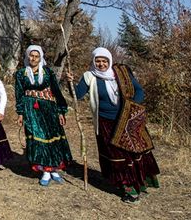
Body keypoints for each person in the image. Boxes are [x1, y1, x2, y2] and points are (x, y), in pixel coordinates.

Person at [67, 47, 160, 203]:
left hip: (127, 120)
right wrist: (70, 83)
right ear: (94, 61)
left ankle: (140, 183)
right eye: (98, 61)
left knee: (134, 151)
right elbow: (78, 95)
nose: (101, 64)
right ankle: (129, 188)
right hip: (105, 123)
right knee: (117, 156)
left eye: (104, 61)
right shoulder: (89, 76)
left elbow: (139, 91)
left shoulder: (122, 73)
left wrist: (131, 107)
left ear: (109, 61)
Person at [14, 44, 73, 186]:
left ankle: (53, 168)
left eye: (36, 56)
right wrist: (20, 113)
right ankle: (45, 170)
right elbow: (19, 95)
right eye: (31, 56)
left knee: (51, 137)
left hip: (49, 109)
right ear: (28, 57)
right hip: (31, 110)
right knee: (38, 136)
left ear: (40, 58)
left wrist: (61, 110)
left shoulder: (47, 72)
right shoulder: (21, 73)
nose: (34, 59)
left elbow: (57, 92)